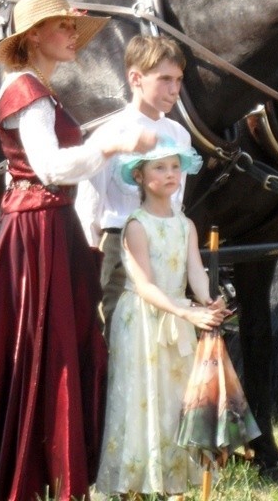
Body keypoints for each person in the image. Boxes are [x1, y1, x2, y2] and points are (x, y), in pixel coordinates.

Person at [0, 0, 156, 501]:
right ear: (32, 37)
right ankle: (38, 471)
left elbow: (20, 174)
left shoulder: (34, 89)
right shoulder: (27, 92)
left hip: (44, 222)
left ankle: (45, 466)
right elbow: (48, 168)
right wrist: (108, 143)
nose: (73, 36)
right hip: (39, 228)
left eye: (74, 28)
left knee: (56, 342)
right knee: (46, 345)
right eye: (63, 28)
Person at [95, 137, 228, 498]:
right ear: (139, 176)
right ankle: (135, 480)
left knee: (175, 396)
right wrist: (185, 309)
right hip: (143, 318)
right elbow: (145, 286)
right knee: (142, 395)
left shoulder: (185, 224)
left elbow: (195, 271)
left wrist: (208, 300)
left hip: (178, 316)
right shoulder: (136, 226)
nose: (170, 174)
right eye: (160, 167)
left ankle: (172, 478)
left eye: (174, 167)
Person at [76, 34, 191, 339]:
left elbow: (177, 199)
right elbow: (89, 204)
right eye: (165, 78)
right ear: (136, 78)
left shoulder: (178, 134)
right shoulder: (111, 132)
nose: (174, 89)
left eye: (178, 79)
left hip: (165, 243)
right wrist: (88, 261)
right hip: (119, 248)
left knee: (164, 333)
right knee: (119, 331)